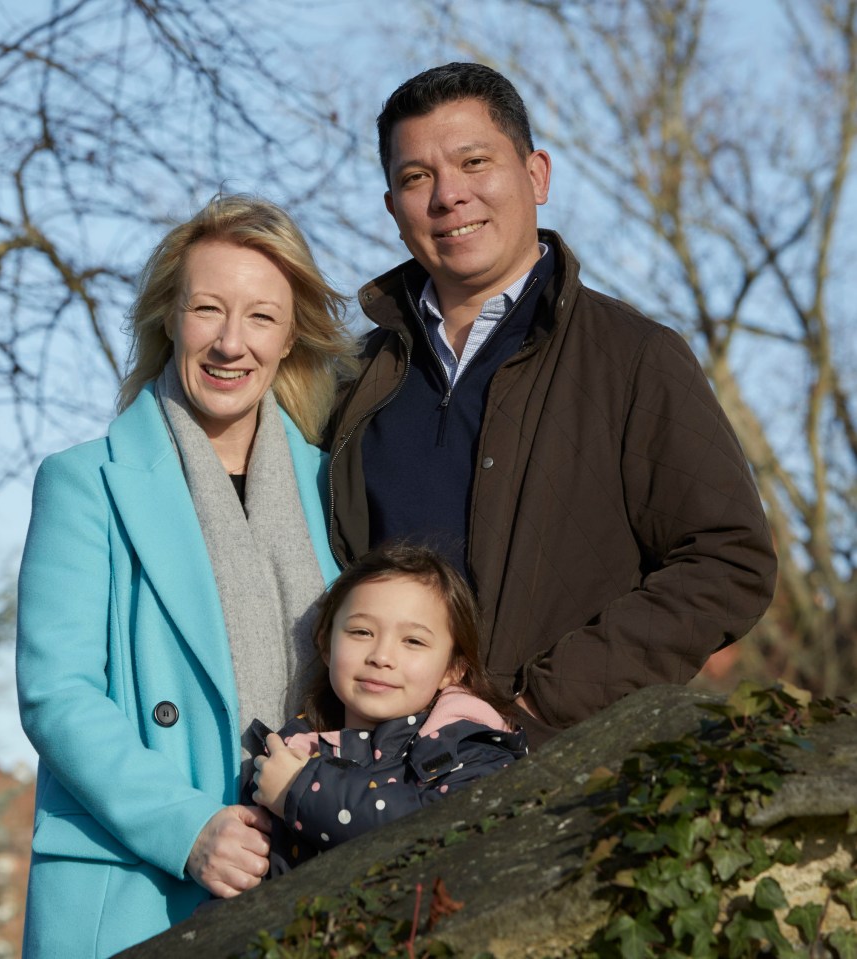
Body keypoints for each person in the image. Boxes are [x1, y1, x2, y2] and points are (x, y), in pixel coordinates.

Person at [327, 62, 778, 749]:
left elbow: (727, 560)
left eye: (473, 161)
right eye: (416, 177)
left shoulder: (631, 356)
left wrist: (533, 706)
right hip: (369, 784)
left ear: (535, 175)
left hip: (555, 776)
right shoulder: (353, 381)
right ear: (393, 208)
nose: (448, 195)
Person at [15, 194, 357, 958]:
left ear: (290, 334)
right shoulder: (85, 481)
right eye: (208, 308)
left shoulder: (334, 487)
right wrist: (186, 827)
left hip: (308, 879)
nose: (231, 343)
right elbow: (57, 692)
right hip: (137, 883)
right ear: (170, 317)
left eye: (261, 317)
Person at [248, 542, 527, 874]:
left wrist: (303, 791)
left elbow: (442, 835)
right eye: (361, 632)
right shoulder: (291, 750)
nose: (381, 656)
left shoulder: (475, 749)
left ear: (454, 669)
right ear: (326, 644)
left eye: (413, 641)